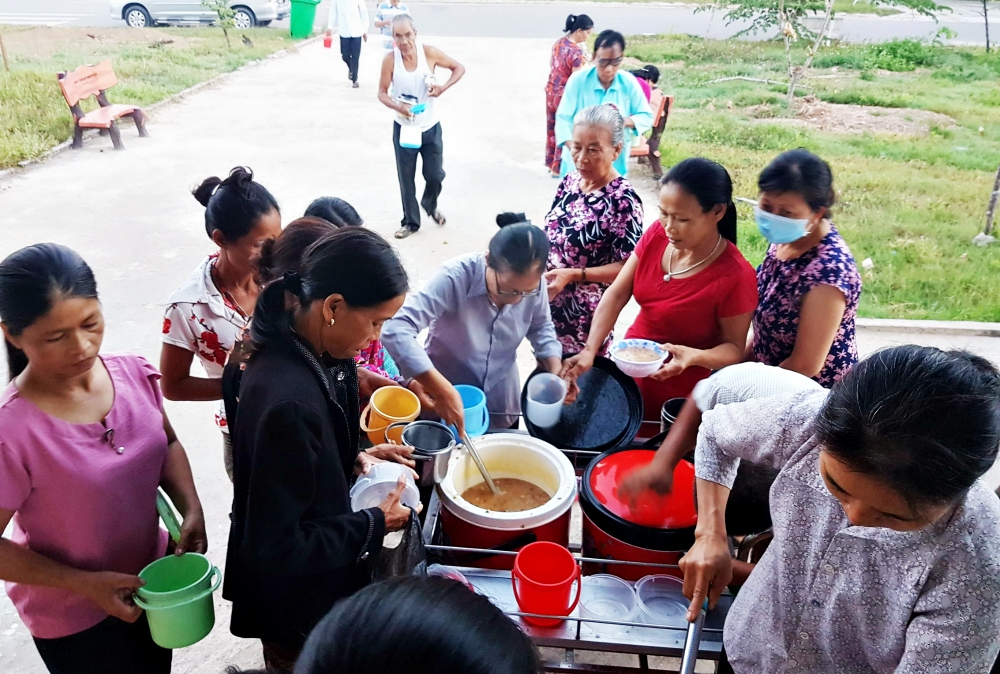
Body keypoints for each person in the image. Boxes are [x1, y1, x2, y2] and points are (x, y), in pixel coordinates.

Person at [668, 347, 1000, 673]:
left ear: (960, 491)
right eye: (836, 486)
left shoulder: (979, 560)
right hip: (752, 649)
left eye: (893, 516)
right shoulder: (808, 422)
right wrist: (710, 533)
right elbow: (714, 432)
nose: (854, 519)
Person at [0, 244, 206, 674]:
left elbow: (166, 443)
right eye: (55, 337)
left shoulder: (133, 373)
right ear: (11, 334)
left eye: (90, 323)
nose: (81, 346)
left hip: (153, 585)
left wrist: (190, 508)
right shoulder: (12, 431)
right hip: (75, 620)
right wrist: (84, 585)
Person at [223, 227, 416, 673]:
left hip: (305, 574)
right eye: (375, 322)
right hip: (293, 601)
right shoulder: (287, 399)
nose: (375, 339)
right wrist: (373, 522)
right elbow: (276, 545)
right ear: (332, 306)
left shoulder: (306, 346)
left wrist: (354, 456)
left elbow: (297, 462)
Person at [562, 158, 758, 423]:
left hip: (678, 390)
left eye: (682, 219)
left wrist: (694, 356)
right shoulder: (657, 234)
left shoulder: (735, 276)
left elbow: (733, 349)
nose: (669, 227)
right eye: (664, 213)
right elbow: (618, 293)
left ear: (718, 212)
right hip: (629, 366)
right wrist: (590, 349)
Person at [382, 214, 564, 433]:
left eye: (525, 293)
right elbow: (396, 328)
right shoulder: (455, 276)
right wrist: (438, 387)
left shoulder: (533, 284)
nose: (516, 299)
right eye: (508, 290)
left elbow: (541, 327)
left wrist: (555, 371)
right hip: (444, 396)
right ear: (488, 260)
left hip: (500, 399)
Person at [160, 167, 281, 482]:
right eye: (260, 244)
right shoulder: (188, 307)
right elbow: (172, 385)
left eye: (276, 241)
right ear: (220, 239)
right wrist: (238, 388)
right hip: (245, 429)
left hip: (296, 410)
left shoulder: (278, 276)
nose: (272, 254)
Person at [750, 149, 861, 386]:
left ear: (817, 213)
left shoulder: (828, 273)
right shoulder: (788, 239)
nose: (773, 217)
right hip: (769, 373)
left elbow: (805, 365)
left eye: (786, 212)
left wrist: (746, 385)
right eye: (767, 206)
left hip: (806, 394)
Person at [543, 104, 643, 356]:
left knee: (578, 386)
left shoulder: (623, 201)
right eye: (576, 147)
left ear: (616, 150)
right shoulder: (570, 182)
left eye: (594, 149)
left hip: (585, 323)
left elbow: (627, 270)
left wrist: (574, 274)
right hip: (547, 311)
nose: (582, 158)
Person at [378, 14, 466, 240]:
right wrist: (397, 105)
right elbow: (381, 92)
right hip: (404, 128)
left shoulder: (429, 53)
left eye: (408, 34)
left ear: (415, 34)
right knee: (406, 178)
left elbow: (458, 68)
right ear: (393, 38)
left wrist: (442, 88)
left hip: (430, 127)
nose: (404, 41)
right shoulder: (391, 60)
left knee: (435, 174)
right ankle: (410, 222)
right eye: (398, 36)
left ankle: (430, 202)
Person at [554, 30, 652, 179]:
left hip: (614, 166)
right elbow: (563, 118)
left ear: (622, 58)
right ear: (594, 57)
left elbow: (646, 116)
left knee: (611, 200)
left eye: (615, 62)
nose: (609, 69)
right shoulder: (578, 81)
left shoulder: (628, 82)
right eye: (603, 62)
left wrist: (623, 121)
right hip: (578, 166)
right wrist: (576, 151)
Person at [545, 14, 593, 177]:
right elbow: (577, 79)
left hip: (551, 91)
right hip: (564, 95)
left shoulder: (559, 43)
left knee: (552, 127)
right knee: (564, 128)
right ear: (579, 31)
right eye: (587, 33)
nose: (588, 37)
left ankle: (550, 161)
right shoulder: (576, 53)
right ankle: (557, 168)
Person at [326, 0, 370, 88]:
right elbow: (333, 12)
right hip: (344, 32)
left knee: (355, 57)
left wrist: (365, 31)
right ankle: (351, 68)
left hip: (357, 32)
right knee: (345, 55)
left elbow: (364, 15)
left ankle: (355, 79)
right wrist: (329, 27)